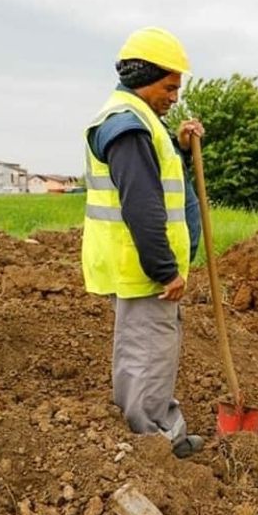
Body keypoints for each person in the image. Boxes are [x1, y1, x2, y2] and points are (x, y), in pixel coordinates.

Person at [81, 26, 205, 459]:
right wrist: (164, 269)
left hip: (138, 266)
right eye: (169, 87)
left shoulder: (142, 122)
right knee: (148, 354)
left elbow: (160, 177)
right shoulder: (127, 127)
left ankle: (158, 430)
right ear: (142, 78)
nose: (174, 97)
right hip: (142, 267)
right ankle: (154, 446)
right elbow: (141, 204)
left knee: (148, 350)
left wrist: (183, 148)